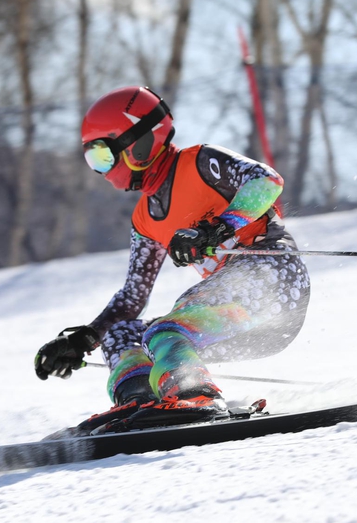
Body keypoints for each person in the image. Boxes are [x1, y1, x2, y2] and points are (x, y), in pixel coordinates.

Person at [34, 86, 311, 432]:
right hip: (232, 317)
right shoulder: (145, 218)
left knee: (167, 329)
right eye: (94, 161)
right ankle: (140, 401)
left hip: (275, 281)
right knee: (122, 333)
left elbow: (267, 180)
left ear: (137, 142)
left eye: (103, 156)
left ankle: (197, 396)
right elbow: (133, 296)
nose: (101, 170)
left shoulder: (198, 162)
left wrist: (218, 229)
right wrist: (85, 338)